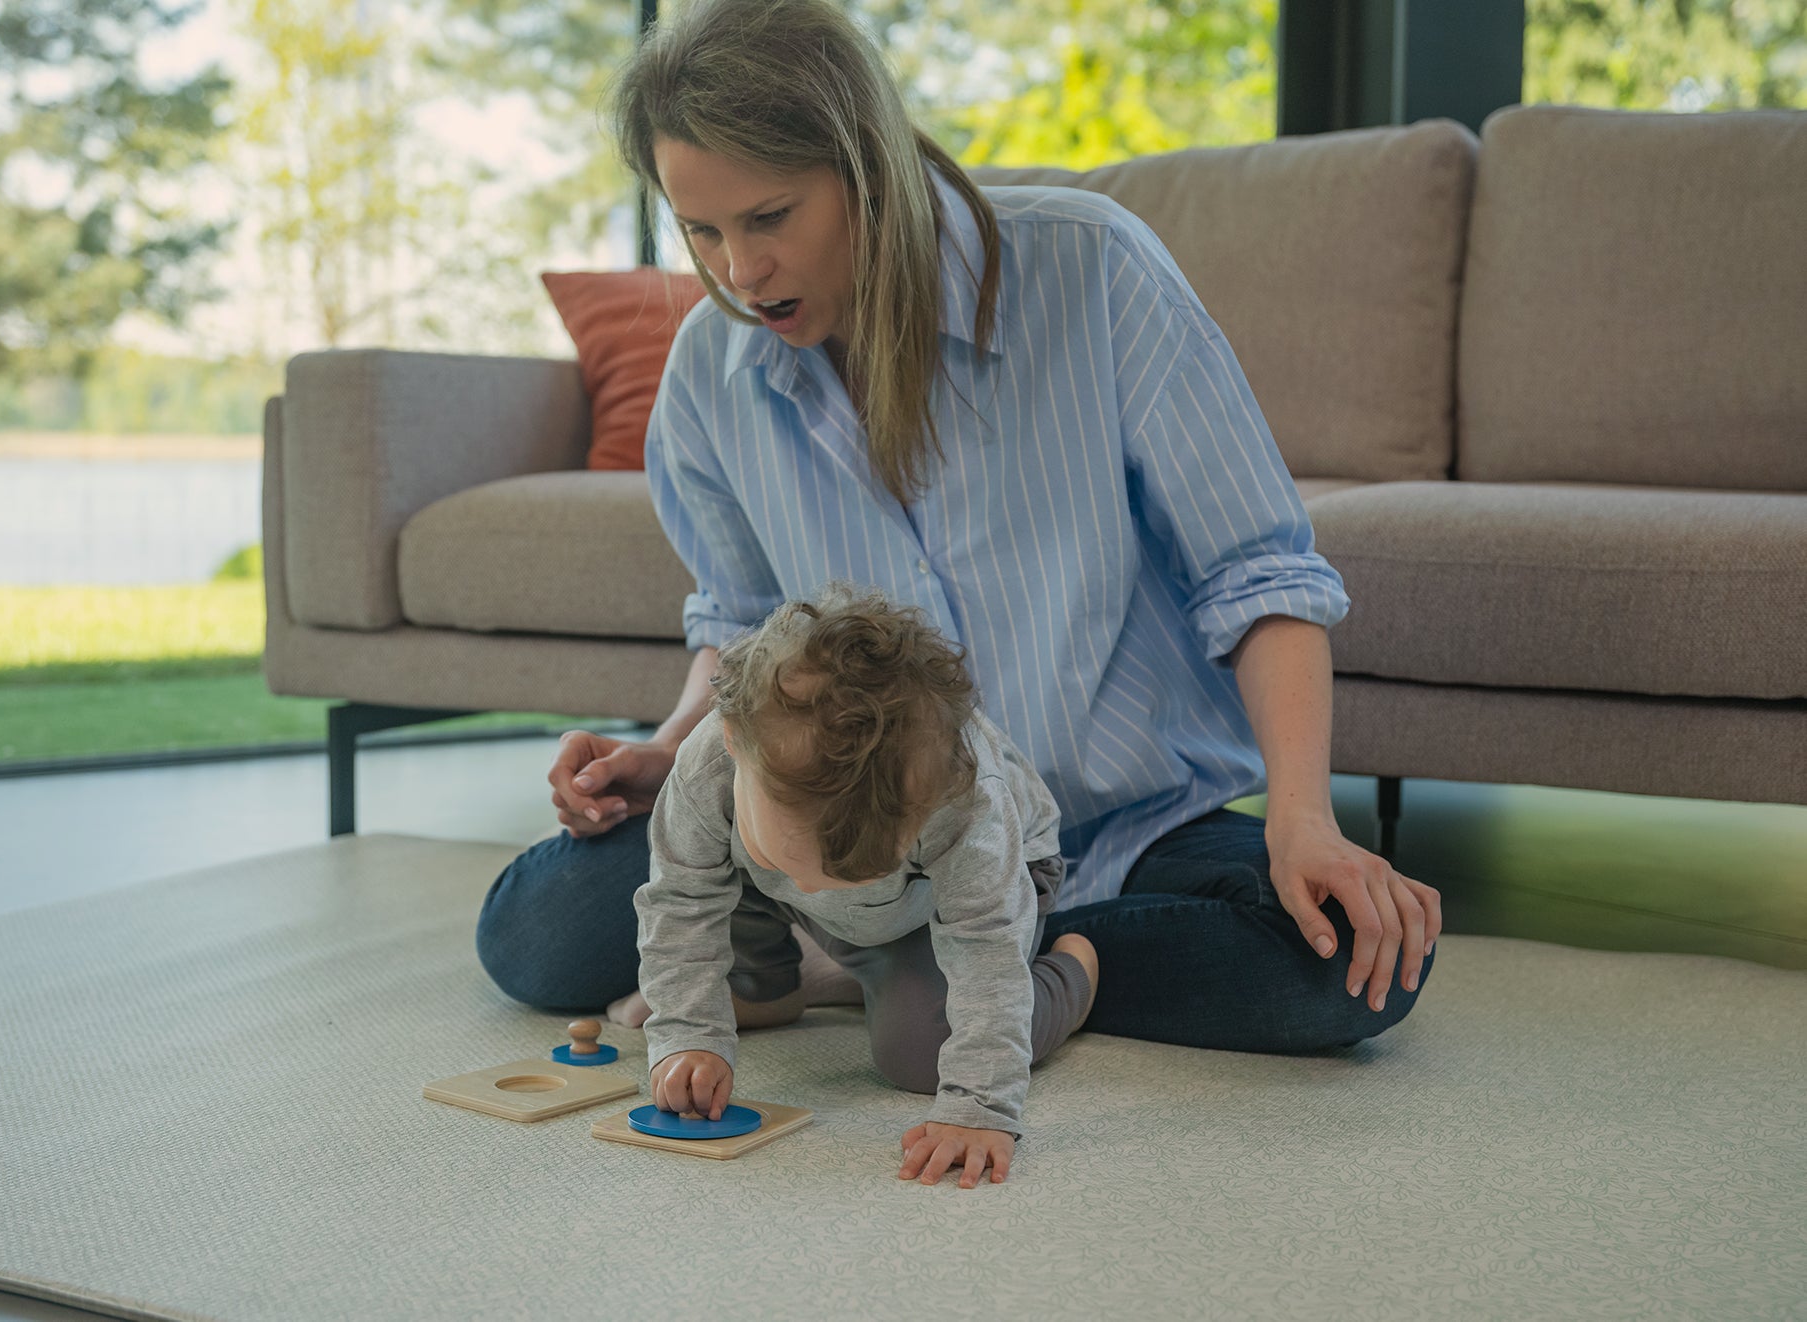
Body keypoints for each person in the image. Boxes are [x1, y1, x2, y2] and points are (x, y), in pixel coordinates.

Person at [477, 0, 1442, 1054]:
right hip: (847, 838)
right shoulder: (710, 372)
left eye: (769, 218)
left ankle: (928, 964)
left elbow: (1256, 575)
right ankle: (938, 966)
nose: (739, 273)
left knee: (1344, 967)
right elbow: (742, 627)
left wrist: (1302, 820)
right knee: (533, 934)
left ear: (868, 169)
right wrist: (670, 752)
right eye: (700, 231)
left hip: (1118, 832)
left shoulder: (1093, 269)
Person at [638, 583, 1096, 1189]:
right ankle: (767, 985)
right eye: (787, 860)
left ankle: (1073, 971)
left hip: (976, 898)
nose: (810, 887)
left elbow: (985, 945)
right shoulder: (707, 766)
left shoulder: (964, 801)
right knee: (717, 875)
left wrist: (980, 1105)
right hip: (856, 906)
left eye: (857, 869)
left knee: (918, 1054)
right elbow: (681, 901)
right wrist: (687, 1032)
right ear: (732, 742)